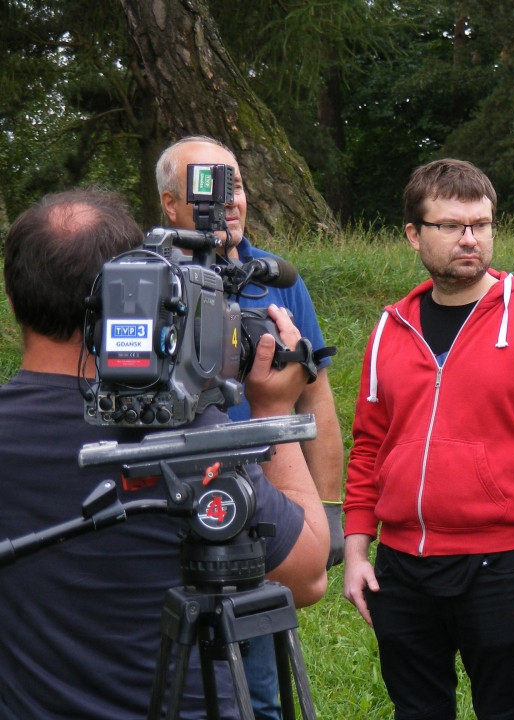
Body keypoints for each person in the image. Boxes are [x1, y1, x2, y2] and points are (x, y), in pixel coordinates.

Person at [0, 190, 329, 719]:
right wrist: (273, 410)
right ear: (133, 293)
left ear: (12, 299)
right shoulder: (193, 440)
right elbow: (309, 573)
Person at [342, 158, 514, 720]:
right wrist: (357, 551)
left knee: (507, 708)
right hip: (403, 565)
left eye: (481, 224)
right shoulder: (389, 329)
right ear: (414, 234)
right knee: (417, 710)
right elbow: (367, 447)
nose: (470, 239)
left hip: (501, 563)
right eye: (452, 226)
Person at [156, 136, 344, 720]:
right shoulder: (146, 282)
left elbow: (316, 397)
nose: (228, 200)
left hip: (258, 512)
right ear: (170, 204)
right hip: (171, 506)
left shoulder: (278, 279)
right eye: (208, 186)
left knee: (257, 695)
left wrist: (330, 509)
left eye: (234, 183)